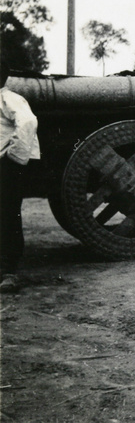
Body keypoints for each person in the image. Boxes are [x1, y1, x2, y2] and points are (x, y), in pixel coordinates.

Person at [0, 60, 40, 293]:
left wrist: (13, 157)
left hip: (9, 164)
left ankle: (8, 272)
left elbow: (28, 122)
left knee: (7, 213)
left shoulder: (9, 98)